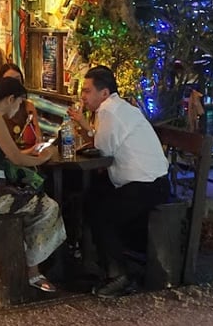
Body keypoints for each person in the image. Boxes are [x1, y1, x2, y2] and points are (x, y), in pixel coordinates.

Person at [67, 65, 169, 298]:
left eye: (87, 91)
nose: (83, 96)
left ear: (104, 93)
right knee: (92, 198)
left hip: (145, 186)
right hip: (155, 181)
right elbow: (103, 146)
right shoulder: (119, 108)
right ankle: (98, 263)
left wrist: (85, 131)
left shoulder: (108, 111)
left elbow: (103, 152)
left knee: (102, 214)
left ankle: (118, 275)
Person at [0, 76, 66, 293]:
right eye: (19, 103)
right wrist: (44, 157)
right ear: (10, 99)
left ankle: (25, 262)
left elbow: (7, 155)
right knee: (47, 206)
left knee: (32, 202)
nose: (19, 109)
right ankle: (33, 270)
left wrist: (32, 154)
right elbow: (16, 159)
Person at [0, 62, 39, 147]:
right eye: (9, 81)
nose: (14, 85)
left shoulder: (27, 106)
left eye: (17, 80)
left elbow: (37, 137)